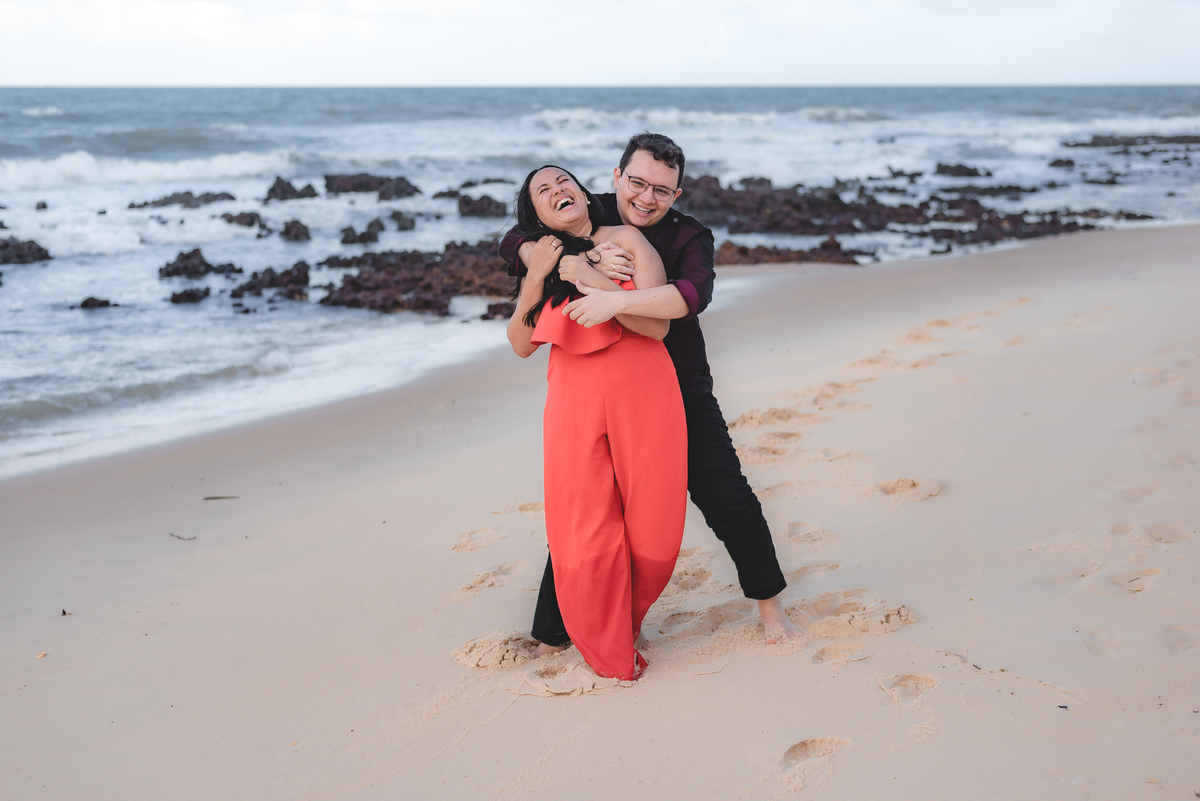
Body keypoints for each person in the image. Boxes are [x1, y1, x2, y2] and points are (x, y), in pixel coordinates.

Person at [499, 133, 799, 652]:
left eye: (661, 190)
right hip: (597, 393)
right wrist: (538, 253)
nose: (645, 197)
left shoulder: (688, 237)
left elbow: (688, 298)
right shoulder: (584, 213)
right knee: (589, 509)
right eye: (636, 183)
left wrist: (597, 281)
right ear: (616, 178)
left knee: (725, 495)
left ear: (676, 194)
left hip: (678, 384)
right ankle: (552, 632)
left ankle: (771, 607)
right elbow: (516, 234)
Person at [506, 164, 688, 681]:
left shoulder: (627, 238)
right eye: (542, 191)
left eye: (563, 182)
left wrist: (594, 280)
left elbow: (655, 326)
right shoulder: (542, 259)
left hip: (645, 392)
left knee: (655, 526)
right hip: (573, 400)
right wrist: (541, 274)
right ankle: (605, 639)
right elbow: (521, 344)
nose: (556, 191)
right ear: (536, 215)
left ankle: (627, 616)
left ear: (585, 193)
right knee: (583, 526)